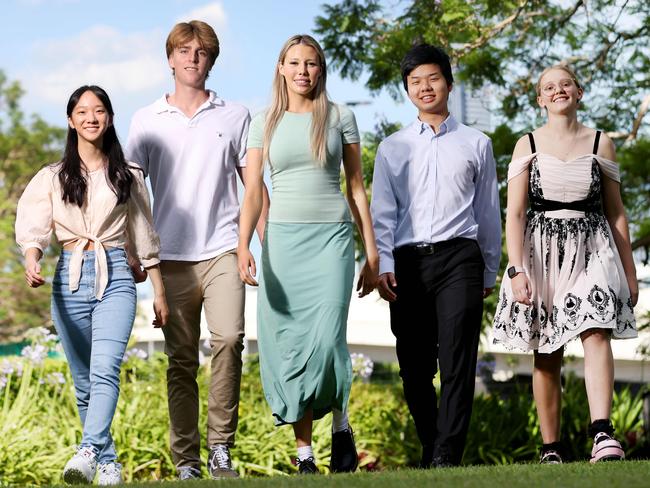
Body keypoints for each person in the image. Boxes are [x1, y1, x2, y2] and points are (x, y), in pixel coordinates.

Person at [125, 21, 267, 480]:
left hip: (224, 250)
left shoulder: (236, 115)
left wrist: (266, 244)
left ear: (211, 60)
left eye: (202, 52)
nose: (193, 58)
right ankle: (186, 460)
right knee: (181, 360)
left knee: (229, 340)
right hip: (168, 258)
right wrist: (133, 250)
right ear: (170, 59)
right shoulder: (145, 120)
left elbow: (253, 187)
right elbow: (130, 190)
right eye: (184, 51)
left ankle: (221, 448)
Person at [237, 34, 379, 475]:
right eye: (294, 63)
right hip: (282, 243)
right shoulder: (264, 122)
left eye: (311, 63)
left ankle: (340, 423)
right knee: (292, 347)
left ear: (321, 70)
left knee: (326, 339)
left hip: (332, 241)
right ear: (281, 68)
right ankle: (304, 457)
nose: (303, 71)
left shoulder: (340, 116)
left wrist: (372, 255)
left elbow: (356, 188)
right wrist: (244, 246)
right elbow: (254, 192)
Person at [15, 85, 167, 485]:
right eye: (82, 112)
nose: (91, 118)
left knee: (104, 369)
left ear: (110, 118)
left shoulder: (128, 174)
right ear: (71, 120)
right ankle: (108, 462)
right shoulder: (52, 176)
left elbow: (144, 232)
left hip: (115, 272)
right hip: (69, 275)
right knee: (83, 380)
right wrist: (33, 259)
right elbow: (34, 227)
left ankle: (87, 450)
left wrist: (159, 292)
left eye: (99, 111)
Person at [492, 64, 638, 464]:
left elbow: (617, 212)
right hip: (540, 252)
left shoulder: (601, 143)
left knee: (596, 332)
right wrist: (516, 269)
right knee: (547, 351)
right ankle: (551, 449)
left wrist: (629, 271)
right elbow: (516, 214)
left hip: (593, 248)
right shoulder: (527, 144)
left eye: (565, 84)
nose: (558, 90)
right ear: (540, 99)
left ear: (579, 92)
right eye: (548, 87)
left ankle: (602, 434)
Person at [371, 44, 501, 468]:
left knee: (458, 359)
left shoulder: (476, 143)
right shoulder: (392, 148)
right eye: (415, 81)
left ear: (448, 81)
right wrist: (383, 265)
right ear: (407, 89)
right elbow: (382, 213)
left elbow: (487, 211)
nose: (425, 87)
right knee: (413, 364)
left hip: (460, 257)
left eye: (432, 78)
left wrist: (490, 266)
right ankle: (432, 443)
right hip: (407, 263)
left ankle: (447, 454)